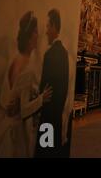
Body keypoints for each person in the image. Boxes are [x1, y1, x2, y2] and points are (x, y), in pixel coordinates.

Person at [0, 11, 53, 157]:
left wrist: (10, 106)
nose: (37, 36)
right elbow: (25, 109)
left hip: (7, 128)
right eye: (35, 32)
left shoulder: (13, 60)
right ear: (27, 37)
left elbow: (4, 100)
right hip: (19, 131)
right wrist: (41, 98)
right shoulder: (27, 69)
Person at [34, 9, 69, 158]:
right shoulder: (64, 52)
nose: (46, 31)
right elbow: (64, 86)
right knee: (53, 148)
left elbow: (45, 87)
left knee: (44, 149)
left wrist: (38, 103)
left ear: (54, 27)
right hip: (57, 110)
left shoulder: (50, 54)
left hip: (48, 111)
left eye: (48, 26)